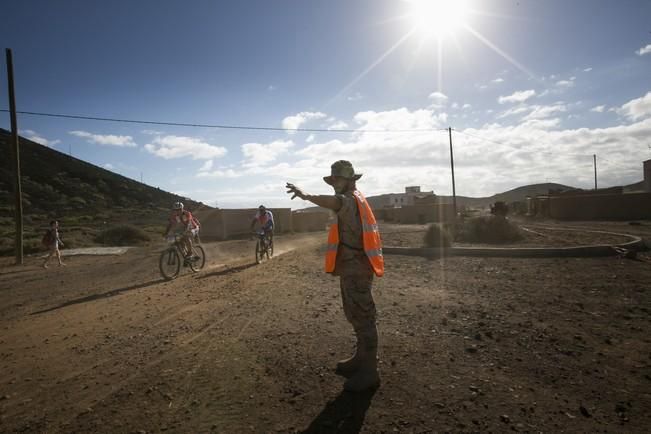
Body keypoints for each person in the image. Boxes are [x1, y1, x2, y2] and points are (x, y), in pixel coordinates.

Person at [286, 160, 384, 392]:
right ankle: (360, 358)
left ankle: (370, 371)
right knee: (355, 314)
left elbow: (334, 202)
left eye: (337, 180)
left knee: (363, 316)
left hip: (357, 267)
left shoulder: (349, 199)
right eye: (332, 180)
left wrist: (306, 195)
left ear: (349, 180)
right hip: (352, 266)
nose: (334, 184)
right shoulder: (354, 199)